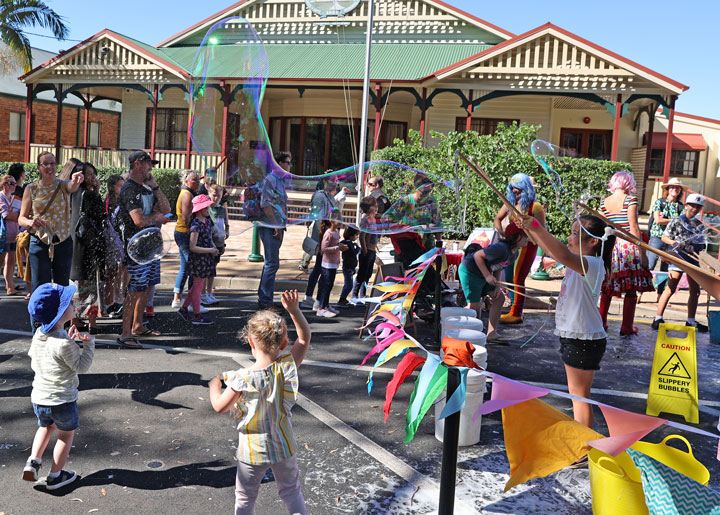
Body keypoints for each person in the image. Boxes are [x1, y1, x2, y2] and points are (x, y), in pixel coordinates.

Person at [209, 290, 310, 515]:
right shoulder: (285, 366)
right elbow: (304, 338)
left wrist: (214, 385)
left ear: (250, 342)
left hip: (252, 450)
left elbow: (219, 406)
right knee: (292, 491)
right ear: (284, 342)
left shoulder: (241, 379)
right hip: (283, 444)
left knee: (245, 497)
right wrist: (294, 310)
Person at [516, 214, 615, 434]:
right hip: (578, 337)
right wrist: (530, 229)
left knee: (579, 397)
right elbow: (552, 252)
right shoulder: (581, 261)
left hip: (583, 339)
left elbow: (559, 253)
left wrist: (537, 227)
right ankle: (582, 444)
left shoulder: (592, 264)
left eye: (575, 233)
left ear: (593, 241)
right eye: (571, 232)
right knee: (578, 395)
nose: (570, 237)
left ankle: (583, 447)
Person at [24, 282, 95, 490]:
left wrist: (68, 340)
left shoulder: (39, 335)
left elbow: (39, 356)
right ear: (60, 312)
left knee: (45, 427)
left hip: (39, 397)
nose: (74, 305)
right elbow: (82, 367)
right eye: (69, 303)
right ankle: (55, 476)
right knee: (65, 435)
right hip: (62, 400)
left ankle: (33, 462)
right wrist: (88, 344)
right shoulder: (64, 344)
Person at [18, 152, 84, 329]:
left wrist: (76, 181)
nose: (50, 167)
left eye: (53, 164)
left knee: (62, 287)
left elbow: (72, 187)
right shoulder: (31, 188)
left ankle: (59, 330)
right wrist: (31, 222)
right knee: (40, 288)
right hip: (39, 242)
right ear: (39, 167)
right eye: (45, 164)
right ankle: (38, 331)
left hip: (62, 241)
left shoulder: (62, 186)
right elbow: (21, 218)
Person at [115, 151, 170, 348]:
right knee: (135, 290)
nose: (151, 168)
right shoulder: (130, 190)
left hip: (152, 246)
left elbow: (165, 207)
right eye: (148, 164)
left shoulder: (148, 189)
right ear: (137, 164)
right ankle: (125, 333)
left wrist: (155, 186)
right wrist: (155, 217)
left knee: (147, 286)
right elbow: (138, 220)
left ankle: (137, 326)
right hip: (136, 248)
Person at [598, 171, 654, 336]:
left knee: (607, 285)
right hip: (627, 247)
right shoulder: (630, 200)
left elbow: (602, 229)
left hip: (610, 247)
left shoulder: (603, 203)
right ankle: (627, 327)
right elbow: (634, 227)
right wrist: (642, 252)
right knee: (630, 288)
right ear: (628, 183)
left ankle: (601, 322)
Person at [458, 224, 528, 343]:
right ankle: (451, 322)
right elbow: (477, 255)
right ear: (516, 237)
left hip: (484, 274)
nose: (528, 238)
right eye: (525, 236)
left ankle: (491, 333)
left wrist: (496, 286)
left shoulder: (514, 253)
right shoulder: (501, 248)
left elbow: (500, 266)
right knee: (473, 307)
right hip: (470, 271)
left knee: (499, 298)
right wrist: (487, 276)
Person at [652, 193, 708, 333]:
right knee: (671, 287)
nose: (695, 209)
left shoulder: (700, 225)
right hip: (678, 257)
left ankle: (690, 321)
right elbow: (664, 237)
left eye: (698, 207)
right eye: (692, 206)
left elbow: (701, 246)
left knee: (695, 291)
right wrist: (675, 243)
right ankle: (657, 318)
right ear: (686, 206)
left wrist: (695, 247)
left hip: (693, 261)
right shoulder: (677, 220)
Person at [493, 173, 545, 324]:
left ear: (526, 188)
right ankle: (513, 307)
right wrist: (501, 231)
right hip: (511, 246)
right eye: (513, 187)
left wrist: (530, 228)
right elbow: (497, 218)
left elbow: (542, 229)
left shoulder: (535, 206)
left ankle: (517, 312)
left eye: (518, 188)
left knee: (518, 278)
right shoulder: (510, 203)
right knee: (509, 279)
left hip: (528, 246)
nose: (515, 190)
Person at [69, 163, 106, 334]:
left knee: (73, 284)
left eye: (94, 174)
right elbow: (101, 216)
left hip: (72, 241)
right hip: (89, 243)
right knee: (92, 285)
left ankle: (74, 321)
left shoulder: (70, 192)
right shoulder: (91, 195)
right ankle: (92, 322)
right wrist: (97, 190)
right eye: (90, 174)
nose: (93, 177)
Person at [178, 194, 218, 325]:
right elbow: (192, 247)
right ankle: (197, 316)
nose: (209, 209)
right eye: (207, 206)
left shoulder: (206, 222)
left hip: (205, 259)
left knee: (196, 286)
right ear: (200, 209)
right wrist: (210, 250)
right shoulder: (196, 224)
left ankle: (184, 308)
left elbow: (209, 239)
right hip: (198, 260)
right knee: (197, 288)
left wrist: (213, 247)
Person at [257, 152, 290, 310]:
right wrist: (276, 225)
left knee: (271, 263)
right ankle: (265, 301)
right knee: (272, 263)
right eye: (288, 162)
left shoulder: (280, 181)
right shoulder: (270, 180)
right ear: (279, 163)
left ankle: (265, 297)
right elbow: (266, 204)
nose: (290, 166)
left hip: (277, 226)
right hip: (270, 226)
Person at [298, 179, 341, 272]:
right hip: (319, 225)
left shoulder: (330, 196)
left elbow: (332, 210)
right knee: (314, 244)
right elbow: (318, 214)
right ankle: (304, 263)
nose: (335, 186)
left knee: (319, 247)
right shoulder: (319, 195)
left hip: (327, 226)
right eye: (333, 183)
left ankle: (315, 265)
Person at [172, 170, 200, 308]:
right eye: (194, 180)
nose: (197, 183)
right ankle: (190, 301)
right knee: (192, 266)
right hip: (184, 233)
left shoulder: (187, 193)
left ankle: (177, 297)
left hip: (181, 232)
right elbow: (186, 217)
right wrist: (194, 231)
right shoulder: (187, 194)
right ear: (186, 181)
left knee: (185, 267)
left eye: (198, 180)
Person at [647, 178, 686, 278]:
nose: (675, 189)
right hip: (657, 236)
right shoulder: (660, 202)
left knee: (666, 269)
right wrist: (674, 220)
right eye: (672, 187)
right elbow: (658, 220)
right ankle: (641, 291)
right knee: (649, 264)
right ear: (668, 189)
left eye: (677, 187)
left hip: (671, 240)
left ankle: (661, 293)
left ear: (680, 190)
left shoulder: (681, 207)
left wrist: (667, 220)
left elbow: (681, 224)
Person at [103, 174, 127, 317]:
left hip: (120, 242)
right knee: (110, 274)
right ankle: (108, 303)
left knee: (119, 273)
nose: (123, 188)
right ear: (112, 187)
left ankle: (117, 300)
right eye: (120, 185)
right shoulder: (109, 203)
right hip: (111, 242)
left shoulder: (122, 202)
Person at [203, 183, 230, 306]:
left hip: (218, 242)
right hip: (209, 242)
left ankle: (209, 292)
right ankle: (203, 293)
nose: (216, 198)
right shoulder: (207, 209)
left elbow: (225, 221)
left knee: (213, 269)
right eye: (214, 195)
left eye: (218, 196)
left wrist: (227, 230)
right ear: (209, 194)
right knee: (206, 269)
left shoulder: (221, 209)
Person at [316, 220, 347, 317]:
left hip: (334, 262)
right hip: (327, 263)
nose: (341, 221)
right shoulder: (328, 233)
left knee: (329, 286)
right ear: (332, 221)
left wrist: (340, 246)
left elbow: (335, 246)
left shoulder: (336, 232)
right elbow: (324, 248)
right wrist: (338, 248)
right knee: (326, 285)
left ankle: (326, 305)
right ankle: (321, 308)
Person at [353, 196, 379, 299]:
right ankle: (354, 295)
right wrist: (364, 249)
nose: (376, 208)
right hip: (366, 251)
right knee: (362, 273)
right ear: (368, 208)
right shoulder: (366, 220)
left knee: (368, 274)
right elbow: (362, 236)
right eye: (374, 206)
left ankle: (363, 294)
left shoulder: (373, 219)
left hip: (372, 250)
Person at [1, 174, 21, 295]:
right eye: (12, 184)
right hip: (3, 236)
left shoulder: (14, 198)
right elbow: (7, 215)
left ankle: (10, 287)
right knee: (1, 262)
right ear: (4, 185)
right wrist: (22, 217)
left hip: (13, 235)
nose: (15, 186)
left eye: (15, 183)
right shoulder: (1, 197)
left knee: (11, 262)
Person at [338, 227, 359, 306]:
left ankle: (343, 298)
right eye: (356, 235)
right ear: (351, 235)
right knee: (349, 285)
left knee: (348, 284)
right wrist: (358, 248)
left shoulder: (347, 242)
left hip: (350, 267)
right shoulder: (348, 243)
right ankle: (342, 299)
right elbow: (353, 253)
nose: (357, 237)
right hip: (348, 267)